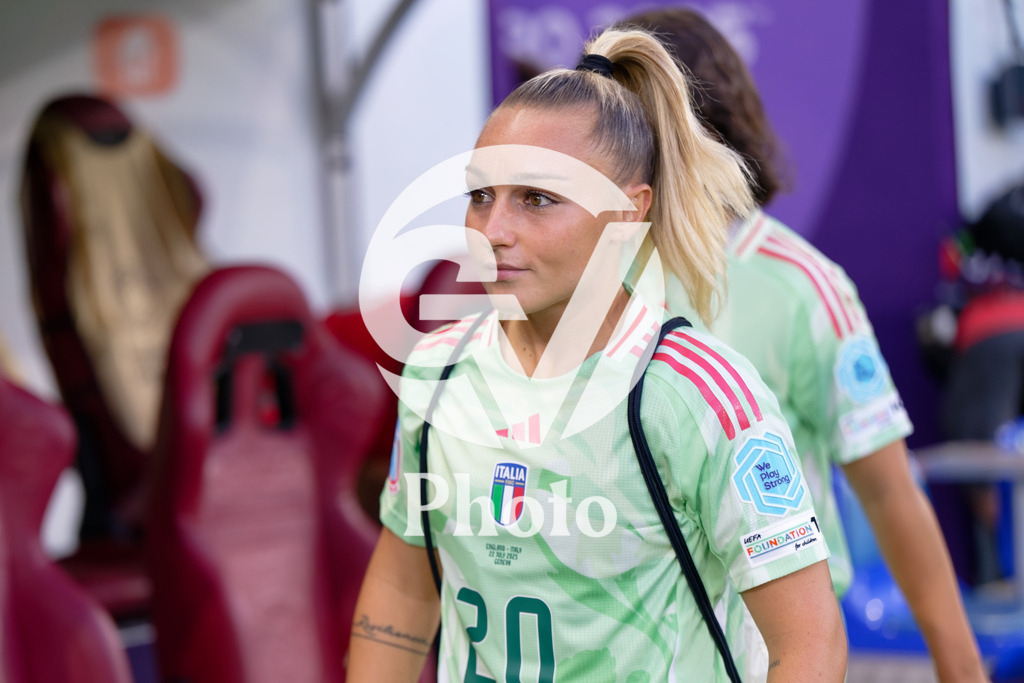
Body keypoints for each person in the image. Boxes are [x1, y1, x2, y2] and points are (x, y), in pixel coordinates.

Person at [348, 24, 846, 683]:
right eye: (480, 196)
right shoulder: (439, 371)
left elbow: (809, 643)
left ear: (627, 214)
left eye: (537, 198)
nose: (493, 230)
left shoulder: (698, 393)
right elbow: (404, 593)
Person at [623, 7, 988, 682]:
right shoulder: (590, 277)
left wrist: (960, 664)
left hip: (774, 649)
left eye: (629, 119)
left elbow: (887, 490)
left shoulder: (801, 285)